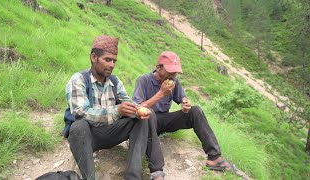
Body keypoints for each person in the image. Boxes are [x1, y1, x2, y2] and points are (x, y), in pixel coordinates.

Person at [132, 51, 236, 180]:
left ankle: (214, 158)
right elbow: (137, 109)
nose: (173, 75)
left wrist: (185, 104)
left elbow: (182, 98)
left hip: (164, 121)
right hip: (146, 123)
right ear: (158, 67)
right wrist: (161, 93)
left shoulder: (173, 81)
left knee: (195, 111)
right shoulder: (143, 80)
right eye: (170, 71)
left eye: (175, 72)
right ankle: (156, 172)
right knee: (150, 114)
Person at [65, 35, 153, 180]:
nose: (112, 65)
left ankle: (133, 176)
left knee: (140, 120)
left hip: (111, 132)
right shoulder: (78, 80)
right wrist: (117, 110)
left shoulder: (115, 82)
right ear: (94, 57)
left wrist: (136, 111)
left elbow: (127, 102)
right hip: (88, 137)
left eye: (114, 61)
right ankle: (89, 177)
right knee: (78, 126)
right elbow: (81, 113)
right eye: (107, 60)